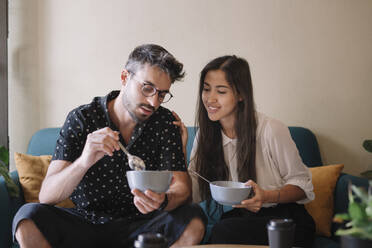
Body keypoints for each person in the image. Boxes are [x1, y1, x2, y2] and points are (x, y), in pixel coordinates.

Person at [13, 44, 206, 248]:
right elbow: (47, 196)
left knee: (193, 218)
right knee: (28, 217)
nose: (153, 102)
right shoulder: (82, 119)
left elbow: (182, 188)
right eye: (147, 88)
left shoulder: (164, 123)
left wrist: (163, 201)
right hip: (85, 222)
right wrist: (85, 160)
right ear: (125, 77)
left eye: (161, 94)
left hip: (142, 224)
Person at [174, 55, 315, 247]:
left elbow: (302, 185)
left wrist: (266, 196)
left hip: (287, 220)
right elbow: (194, 194)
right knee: (213, 227)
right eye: (206, 89)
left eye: (221, 91)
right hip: (243, 218)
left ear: (241, 94)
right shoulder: (205, 136)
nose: (210, 99)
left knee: (224, 231)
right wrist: (180, 150)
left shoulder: (270, 130)